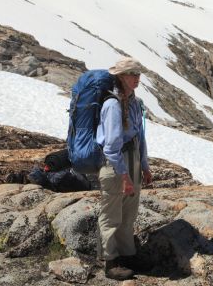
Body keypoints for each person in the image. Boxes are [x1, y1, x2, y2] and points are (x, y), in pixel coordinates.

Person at [96, 57, 152, 280]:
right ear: (120, 76)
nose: (137, 78)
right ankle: (111, 261)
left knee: (129, 213)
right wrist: (124, 175)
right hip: (116, 165)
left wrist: (144, 166)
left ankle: (128, 255)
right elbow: (111, 147)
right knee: (111, 214)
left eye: (138, 74)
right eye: (132, 74)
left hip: (134, 159)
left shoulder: (135, 103)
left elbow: (140, 136)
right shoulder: (112, 105)